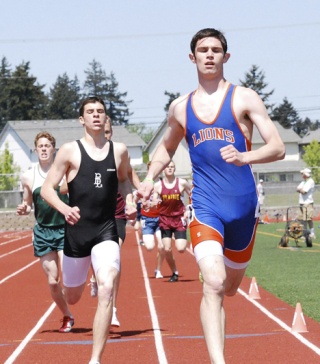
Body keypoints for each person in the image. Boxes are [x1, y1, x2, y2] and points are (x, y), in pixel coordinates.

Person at [137, 28, 285, 363]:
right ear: (192, 57)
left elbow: (276, 147)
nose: (208, 55)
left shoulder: (244, 98)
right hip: (205, 207)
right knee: (213, 283)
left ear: (225, 57)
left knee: (230, 287)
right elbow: (166, 149)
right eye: (202, 50)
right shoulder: (180, 108)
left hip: (244, 209)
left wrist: (245, 156)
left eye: (215, 50)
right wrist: (149, 177)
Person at [41, 96, 136, 364]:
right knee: (73, 294)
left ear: (106, 118)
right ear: (82, 119)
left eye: (101, 112)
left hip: (106, 229)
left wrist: (129, 201)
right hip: (76, 235)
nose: (96, 115)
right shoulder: (70, 151)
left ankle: (95, 359)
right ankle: (80, 285)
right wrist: (64, 208)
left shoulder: (119, 151)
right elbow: (48, 189)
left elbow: (125, 181)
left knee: (107, 286)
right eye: (90, 112)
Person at [16, 131, 74, 333]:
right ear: (35, 149)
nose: (43, 149)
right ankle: (67, 315)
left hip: (64, 229)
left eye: (46, 146)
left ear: (53, 149)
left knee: (68, 276)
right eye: (40, 146)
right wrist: (24, 208)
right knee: (52, 281)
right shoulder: (28, 176)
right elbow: (28, 203)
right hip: (43, 232)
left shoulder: (64, 172)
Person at [89, 117, 141, 328]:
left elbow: (131, 175)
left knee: (114, 259)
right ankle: (94, 276)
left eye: (109, 132)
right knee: (94, 262)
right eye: (104, 132)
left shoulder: (119, 154)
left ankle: (113, 308)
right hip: (92, 216)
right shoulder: (85, 154)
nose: (106, 135)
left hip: (116, 215)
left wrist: (142, 191)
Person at [152, 160, 191, 282]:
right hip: (165, 220)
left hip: (179, 219)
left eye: (172, 167)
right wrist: (154, 203)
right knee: (167, 248)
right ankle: (174, 272)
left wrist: (189, 209)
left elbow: (193, 194)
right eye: (167, 167)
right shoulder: (158, 186)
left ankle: (174, 270)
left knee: (181, 248)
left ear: (175, 169)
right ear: (163, 169)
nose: (170, 169)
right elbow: (153, 201)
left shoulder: (182, 183)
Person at [141, 161, 177, 280]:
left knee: (162, 246)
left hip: (161, 219)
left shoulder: (163, 184)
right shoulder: (143, 184)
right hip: (147, 219)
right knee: (150, 247)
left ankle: (158, 270)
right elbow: (136, 198)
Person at [297, 168, 316, 239]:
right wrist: (300, 190)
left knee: (308, 219)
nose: (302, 175)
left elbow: (304, 191)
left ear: (306, 174)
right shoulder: (303, 182)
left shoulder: (310, 181)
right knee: (301, 219)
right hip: (302, 202)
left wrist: (300, 190)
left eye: (303, 173)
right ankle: (304, 233)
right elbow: (297, 189)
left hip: (308, 203)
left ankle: (312, 233)